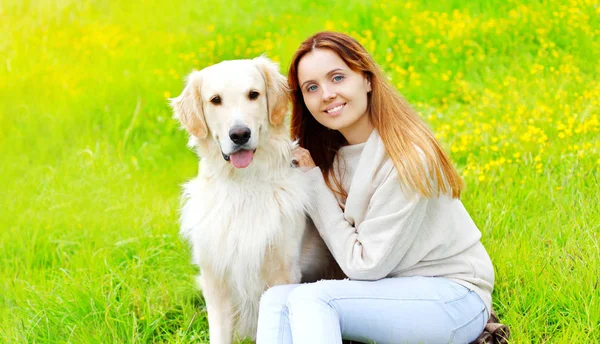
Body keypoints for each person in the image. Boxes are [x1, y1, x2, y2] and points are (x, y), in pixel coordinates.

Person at [256, 31, 495, 344]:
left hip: (453, 297)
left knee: (312, 299)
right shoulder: (332, 158)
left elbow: (364, 266)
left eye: (337, 77)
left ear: (366, 79)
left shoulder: (406, 158)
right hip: (391, 293)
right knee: (276, 299)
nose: (326, 94)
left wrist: (313, 185)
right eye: (312, 87)